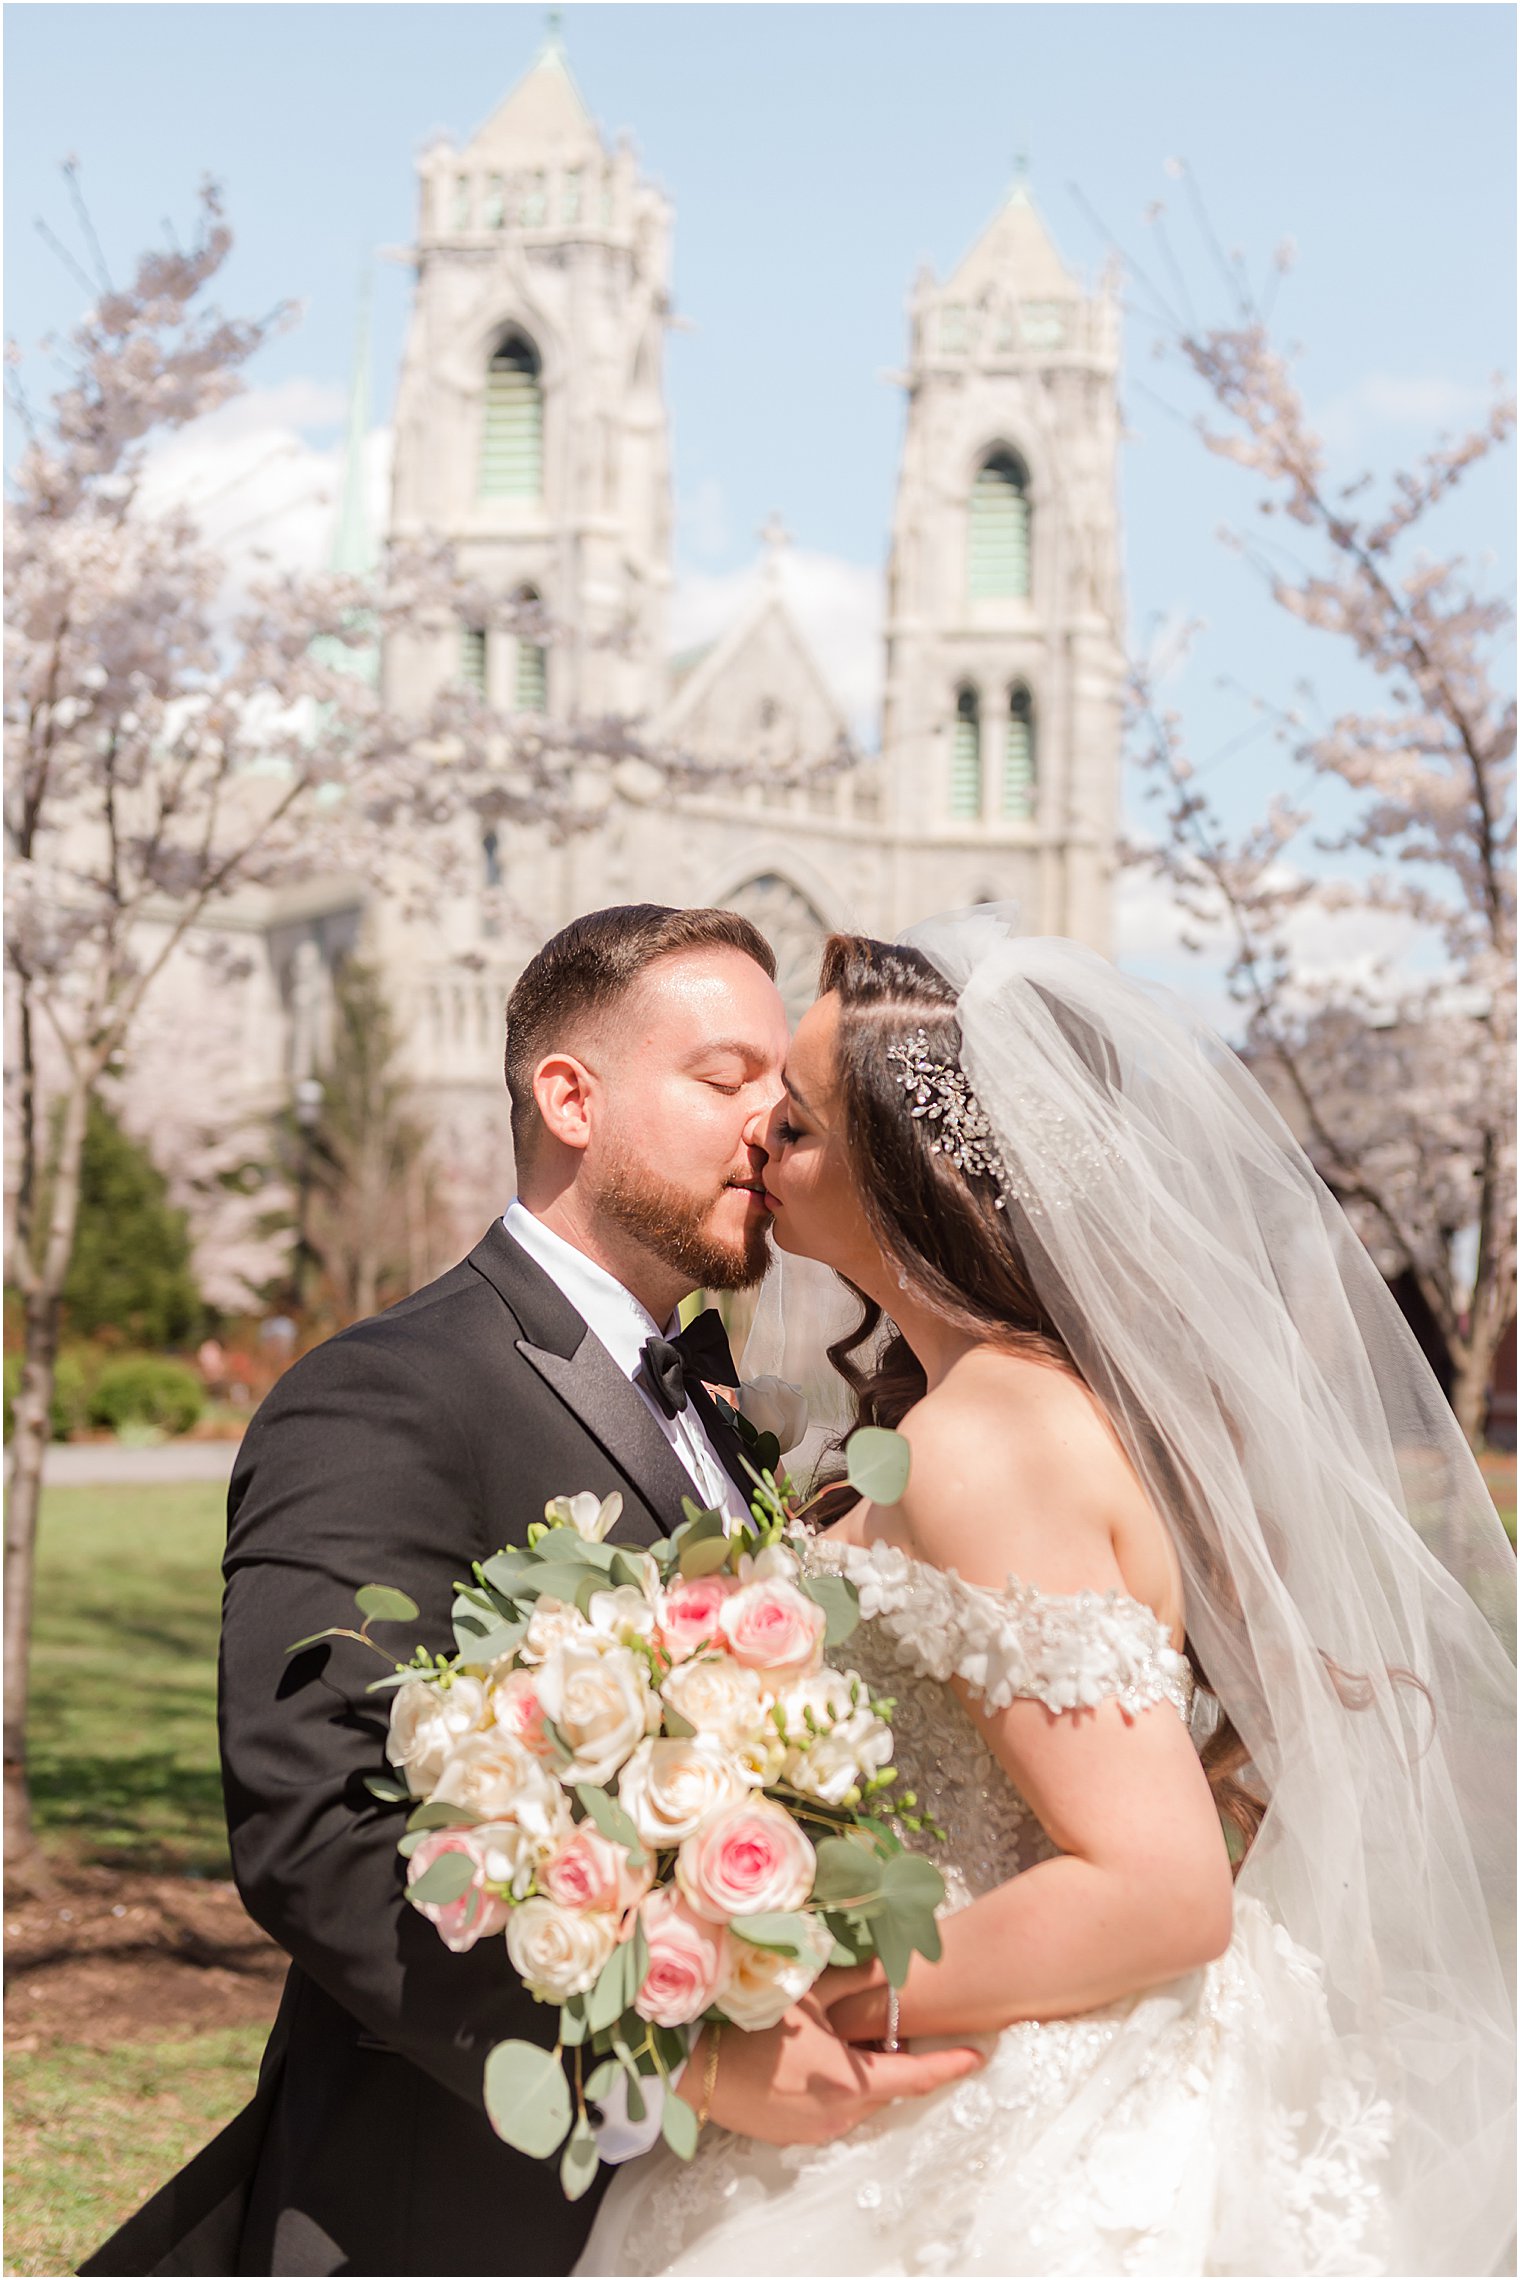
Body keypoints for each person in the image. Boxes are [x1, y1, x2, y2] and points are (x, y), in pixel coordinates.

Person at [577, 910, 1516, 2278]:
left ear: (913, 1175)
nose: (762, 1142)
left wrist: (794, 1993)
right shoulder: (979, 1401)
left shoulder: (991, 1435)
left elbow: (1158, 1892)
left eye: (804, 1120)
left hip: (1020, 2112)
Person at [81, 904, 980, 2280]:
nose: (768, 1126)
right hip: (447, 2207)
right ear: (570, 1096)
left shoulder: (723, 1402)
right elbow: (314, 1823)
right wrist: (674, 2060)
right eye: (723, 1078)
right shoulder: (384, 1393)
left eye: (782, 1093)